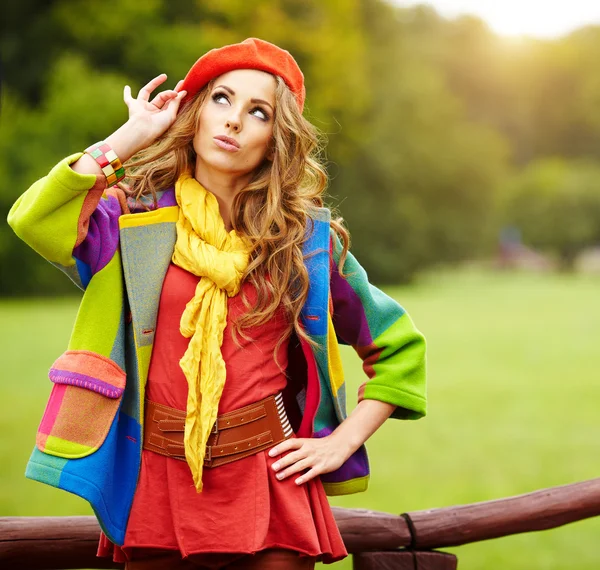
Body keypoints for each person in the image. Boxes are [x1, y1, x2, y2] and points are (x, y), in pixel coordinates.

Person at [8, 38, 427, 569]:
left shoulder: (303, 243)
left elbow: (400, 350)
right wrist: (130, 137)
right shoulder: (130, 222)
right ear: (195, 113)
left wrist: (341, 441)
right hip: (157, 478)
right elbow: (33, 221)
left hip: (271, 484)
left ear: (277, 139)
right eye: (222, 100)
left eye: (258, 112)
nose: (233, 121)